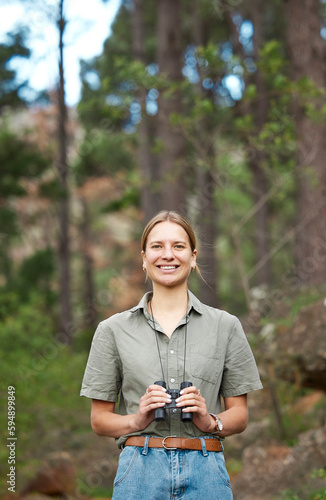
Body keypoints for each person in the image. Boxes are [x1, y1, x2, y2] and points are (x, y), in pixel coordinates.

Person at [80, 210, 263, 499]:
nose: (168, 255)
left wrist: (210, 421)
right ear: (143, 257)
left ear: (193, 257)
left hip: (207, 471)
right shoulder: (112, 330)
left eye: (178, 246)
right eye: (157, 246)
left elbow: (239, 415)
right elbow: (99, 420)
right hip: (139, 472)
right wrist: (135, 420)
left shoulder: (225, 326)